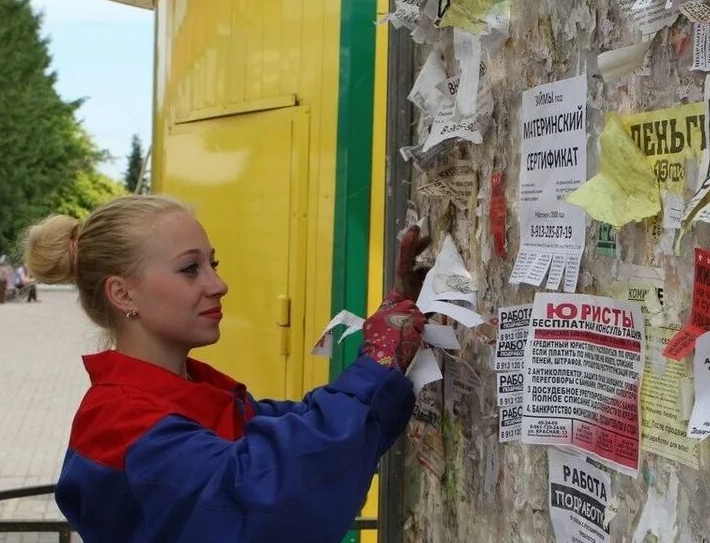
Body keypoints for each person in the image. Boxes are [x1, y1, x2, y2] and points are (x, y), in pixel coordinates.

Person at [22, 195, 429, 542]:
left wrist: (385, 360)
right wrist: (377, 364)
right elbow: (262, 493)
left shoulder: (194, 394)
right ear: (123, 293)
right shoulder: (121, 424)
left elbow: (304, 429)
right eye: (190, 269)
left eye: (213, 264)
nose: (218, 284)